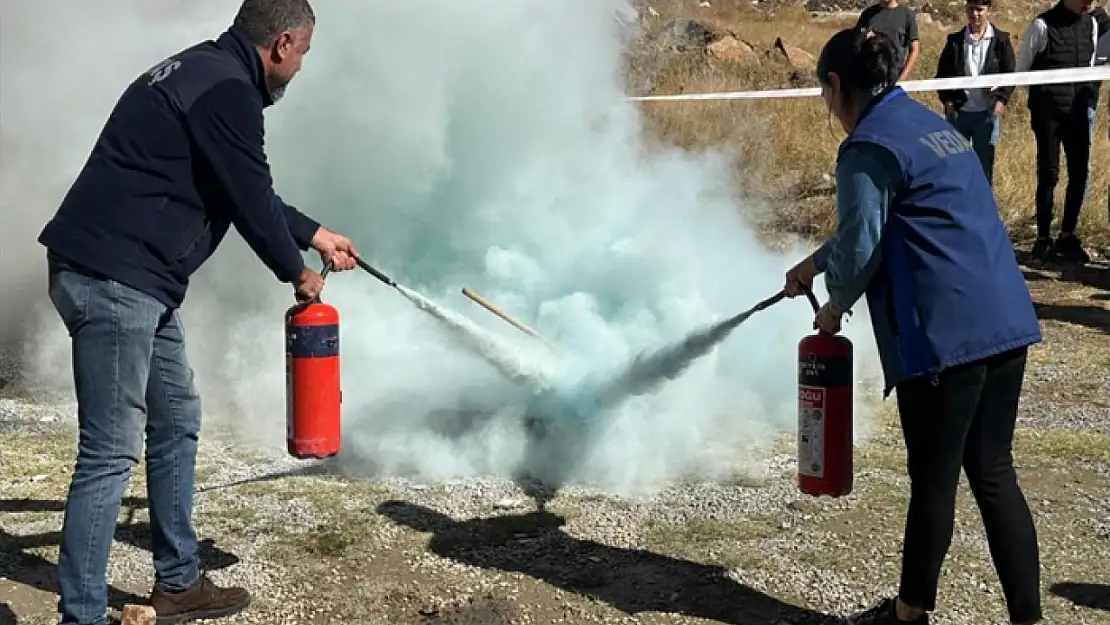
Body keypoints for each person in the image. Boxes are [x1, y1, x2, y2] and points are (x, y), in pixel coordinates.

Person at [35, 1, 359, 624]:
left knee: (178, 416)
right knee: (109, 450)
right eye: (305, 56)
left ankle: (178, 583)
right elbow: (247, 199)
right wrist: (297, 273)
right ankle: (82, 615)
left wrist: (314, 233)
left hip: (134, 278)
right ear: (284, 43)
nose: (300, 70)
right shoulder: (228, 92)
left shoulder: (200, 71)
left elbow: (245, 188)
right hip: (113, 279)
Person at [784, 27, 1044, 625]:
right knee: (994, 472)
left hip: (946, 336)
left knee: (932, 479)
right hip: (1005, 320)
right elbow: (883, 220)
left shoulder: (865, 147)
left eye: (826, 95)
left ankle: (908, 616)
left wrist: (834, 303)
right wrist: (814, 264)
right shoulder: (928, 125)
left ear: (834, 84)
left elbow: (864, 245)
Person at [1015, 0, 1110, 263]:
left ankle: (1067, 235)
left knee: (1079, 172)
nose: (1090, 3)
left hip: (1077, 111)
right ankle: (1043, 237)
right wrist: (1041, 100)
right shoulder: (1041, 25)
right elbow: (1022, 70)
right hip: (1048, 114)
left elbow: (1090, 67)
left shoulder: (1091, 24)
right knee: (1049, 173)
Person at [934, 0, 1016, 186]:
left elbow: (1010, 74)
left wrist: (1001, 100)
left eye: (980, 9)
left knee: (984, 167)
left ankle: (982, 210)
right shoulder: (954, 41)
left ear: (989, 10)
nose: (975, 14)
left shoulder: (1001, 40)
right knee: (956, 165)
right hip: (959, 114)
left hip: (986, 115)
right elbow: (942, 75)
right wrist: (947, 101)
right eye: (971, 9)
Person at [856, 0, 920, 81]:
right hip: (869, 79)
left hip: (894, 78)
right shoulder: (867, 14)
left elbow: (915, 50)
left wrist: (902, 79)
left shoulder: (907, 15)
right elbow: (857, 44)